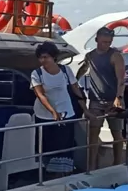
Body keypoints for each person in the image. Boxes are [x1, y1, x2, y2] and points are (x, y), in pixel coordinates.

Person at [30, 42, 88, 177]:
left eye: (46, 57)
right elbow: (40, 95)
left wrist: (86, 109)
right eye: (41, 57)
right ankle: (46, 174)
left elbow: (75, 89)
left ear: (54, 57)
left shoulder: (66, 70)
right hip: (44, 115)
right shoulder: (37, 73)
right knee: (47, 145)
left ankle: (64, 173)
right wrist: (53, 112)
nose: (43, 60)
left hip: (66, 112)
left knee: (65, 144)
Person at [76, 26, 126, 170]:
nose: (106, 45)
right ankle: (91, 166)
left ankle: (117, 164)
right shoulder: (90, 55)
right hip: (95, 101)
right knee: (93, 134)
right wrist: (74, 80)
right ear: (97, 39)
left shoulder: (116, 56)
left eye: (109, 42)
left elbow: (121, 78)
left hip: (113, 100)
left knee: (116, 133)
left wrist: (119, 97)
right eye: (103, 42)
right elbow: (84, 68)